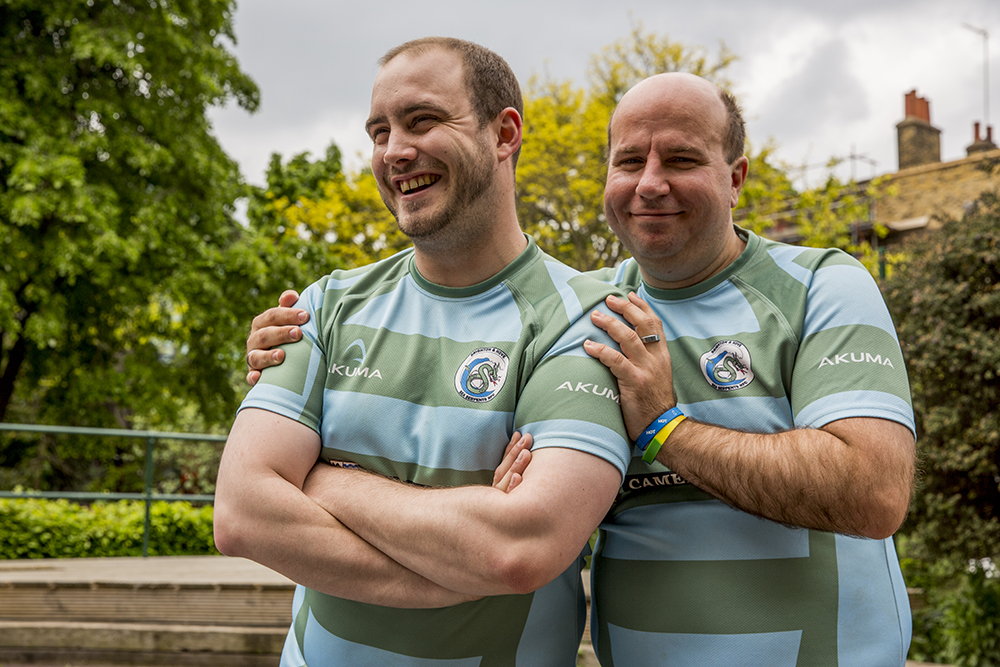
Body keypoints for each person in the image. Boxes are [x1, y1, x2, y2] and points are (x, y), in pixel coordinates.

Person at [246, 71, 918, 666]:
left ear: (735, 178)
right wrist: (297, 359)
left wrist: (666, 429)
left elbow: (873, 490)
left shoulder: (819, 284)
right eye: (629, 161)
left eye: (680, 158)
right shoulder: (579, 312)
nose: (650, 183)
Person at [214, 37, 633, 666]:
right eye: (379, 131)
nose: (394, 151)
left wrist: (324, 480)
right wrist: (458, 565)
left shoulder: (584, 316)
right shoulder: (326, 305)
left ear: (504, 134)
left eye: (423, 120)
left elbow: (520, 549)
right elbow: (242, 514)